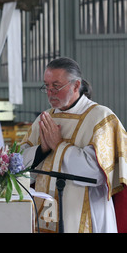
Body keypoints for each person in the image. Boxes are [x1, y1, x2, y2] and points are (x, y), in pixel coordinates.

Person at [21, 57, 127, 233]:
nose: (50, 92)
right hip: (44, 210)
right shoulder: (44, 119)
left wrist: (59, 145)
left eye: (56, 86)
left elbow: (96, 173)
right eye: (46, 86)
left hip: (85, 214)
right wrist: (42, 149)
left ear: (76, 85)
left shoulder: (101, 118)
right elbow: (19, 163)